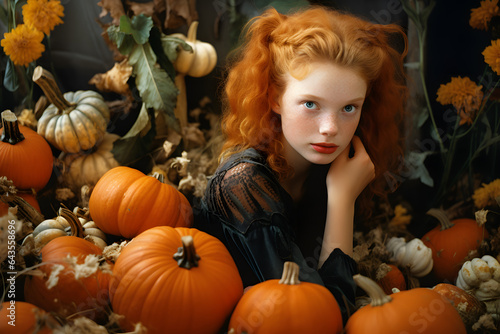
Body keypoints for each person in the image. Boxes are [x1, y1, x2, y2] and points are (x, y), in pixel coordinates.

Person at [194, 5, 407, 324]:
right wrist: (342, 200)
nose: (330, 128)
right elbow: (324, 318)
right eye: (311, 104)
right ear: (275, 97)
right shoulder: (243, 184)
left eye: (349, 107)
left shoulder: (325, 168)